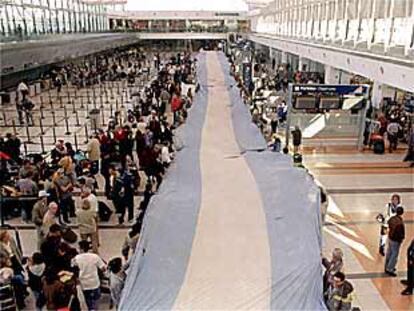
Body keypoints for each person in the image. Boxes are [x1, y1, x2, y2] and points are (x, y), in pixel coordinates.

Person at [72, 240, 106, 311]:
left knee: (88, 300)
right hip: (94, 283)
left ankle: (91, 308)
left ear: (81, 249)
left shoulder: (76, 258)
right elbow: (103, 268)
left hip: (84, 284)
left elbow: (73, 267)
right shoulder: (95, 257)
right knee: (96, 299)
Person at [385, 206, 405, 276]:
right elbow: (400, 233)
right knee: (394, 254)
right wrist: (401, 239)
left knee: (389, 252)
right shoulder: (400, 222)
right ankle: (390, 269)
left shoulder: (392, 218)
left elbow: (388, 223)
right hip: (395, 240)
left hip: (390, 237)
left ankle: (387, 266)